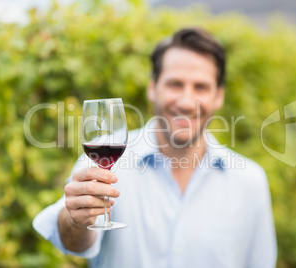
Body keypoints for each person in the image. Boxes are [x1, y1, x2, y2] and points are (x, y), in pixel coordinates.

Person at [33, 28, 277, 267]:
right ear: (153, 87)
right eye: (175, 84)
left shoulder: (250, 182)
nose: (186, 102)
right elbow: (74, 241)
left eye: (200, 87)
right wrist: (76, 221)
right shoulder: (101, 164)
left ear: (219, 96)